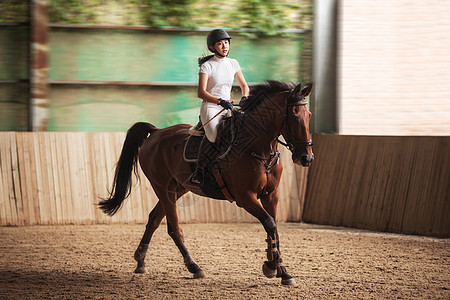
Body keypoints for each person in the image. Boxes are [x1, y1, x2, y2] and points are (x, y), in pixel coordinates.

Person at [189, 29, 249, 185]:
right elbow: (201, 93)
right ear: (212, 47)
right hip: (211, 108)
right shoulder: (207, 66)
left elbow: (244, 85)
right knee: (215, 137)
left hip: (228, 107)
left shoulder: (233, 63)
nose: (225, 46)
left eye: (226, 42)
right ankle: (199, 171)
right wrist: (220, 101)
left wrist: (244, 98)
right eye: (220, 43)